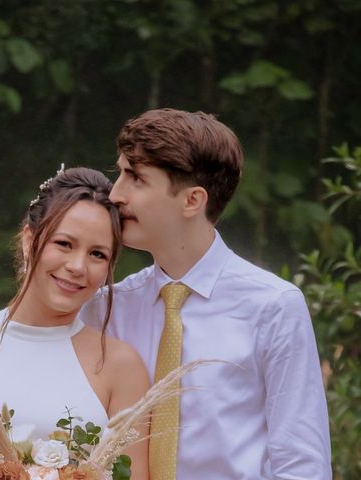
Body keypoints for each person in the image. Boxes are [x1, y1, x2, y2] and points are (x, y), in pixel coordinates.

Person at [80, 108, 332, 479]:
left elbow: (301, 462)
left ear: (192, 201)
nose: (115, 194)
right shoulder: (105, 307)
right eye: (120, 173)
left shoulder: (273, 306)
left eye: (135, 178)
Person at [0, 167, 150, 480]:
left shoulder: (120, 365)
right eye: (64, 244)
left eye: (97, 254)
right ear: (29, 239)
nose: (77, 266)